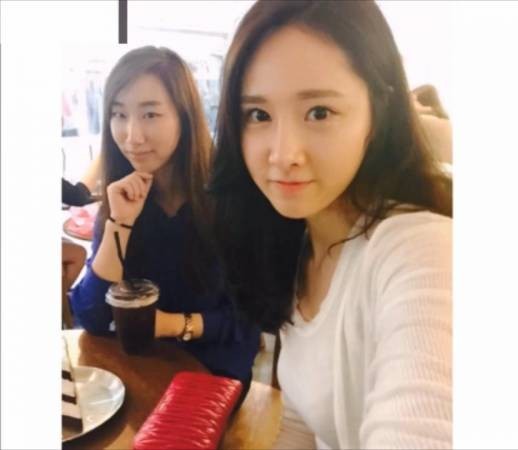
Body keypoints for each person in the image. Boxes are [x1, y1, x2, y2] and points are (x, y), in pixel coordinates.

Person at [209, 1, 452, 448]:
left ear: (378, 113)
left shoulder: (422, 249)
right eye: (259, 115)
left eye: (319, 112)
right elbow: (303, 424)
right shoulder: (298, 243)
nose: (283, 154)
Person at [69, 46, 260, 393]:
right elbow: (92, 316)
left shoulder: (232, 198)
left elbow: (247, 324)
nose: (132, 136)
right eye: (119, 114)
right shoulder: (122, 194)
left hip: (211, 378)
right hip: (136, 375)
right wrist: (120, 223)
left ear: (185, 116)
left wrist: (167, 325)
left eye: (150, 114)